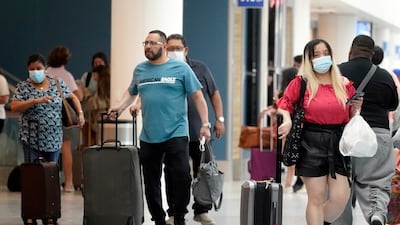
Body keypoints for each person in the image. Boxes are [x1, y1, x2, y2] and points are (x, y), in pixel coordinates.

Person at [109, 30, 211, 225]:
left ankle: (179, 215)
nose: (148, 46)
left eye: (152, 43)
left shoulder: (181, 69)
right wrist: (119, 107)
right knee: (151, 181)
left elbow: (198, 96)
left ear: (164, 47)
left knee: (181, 175)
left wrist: (205, 124)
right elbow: (131, 92)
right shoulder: (140, 70)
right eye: (145, 43)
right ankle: (158, 219)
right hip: (149, 135)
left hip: (176, 133)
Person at [276, 39, 362, 225]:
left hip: (337, 142)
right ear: (309, 59)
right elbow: (285, 104)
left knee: (341, 197)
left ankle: (320, 222)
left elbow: (351, 113)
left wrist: (357, 108)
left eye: (326, 53)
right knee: (316, 197)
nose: (322, 58)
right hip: (310, 142)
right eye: (316, 54)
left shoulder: (343, 84)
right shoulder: (301, 83)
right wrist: (288, 120)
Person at [331, 35, 398, 225]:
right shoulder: (385, 76)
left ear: (351, 51)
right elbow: (392, 105)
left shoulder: (336, 73)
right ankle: (376, 213)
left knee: (340, 184)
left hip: (343, 136)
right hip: (377, 136)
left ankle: (340, 221)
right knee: (377, 181)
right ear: (372, 54)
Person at [163, 33, 225, 225]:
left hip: (200, 132)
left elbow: (214, 93)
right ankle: (174, 211)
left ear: (185, 50)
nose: (174, 52)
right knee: (175, 173)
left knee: (205, 171)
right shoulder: (163, 69)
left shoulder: (200, 68)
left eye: (177, 48)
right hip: (174, 133)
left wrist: (219, 119)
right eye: (170, 48)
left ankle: (201, 210)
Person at [10, 53, 84, 163]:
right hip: (32, 141)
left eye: (38, 68)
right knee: (34, 174)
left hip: (53, 140)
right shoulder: (23, 87)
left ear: (45, 69)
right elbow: (14, 107)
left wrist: (80, 113)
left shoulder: (56, 83)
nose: (35, 72)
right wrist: (35, 101)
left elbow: (73, 97)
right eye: (32, 69)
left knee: (51, 175)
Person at [46, 46, 83, 192]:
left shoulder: (45, 73)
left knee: (48, 148)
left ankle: (49, 182)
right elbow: (77, 96)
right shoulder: (66, 75)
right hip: (63, 115)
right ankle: (68, 183)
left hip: (47, 114)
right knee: (66, 148)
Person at [84, 65, 110, 145]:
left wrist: (87, 95)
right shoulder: (106, 84)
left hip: (101, 117)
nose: (93, 77)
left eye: (94, 74)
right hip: (103, 117)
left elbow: (98, 102)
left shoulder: (102, 86)